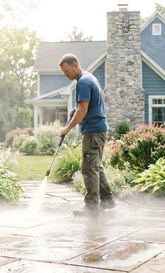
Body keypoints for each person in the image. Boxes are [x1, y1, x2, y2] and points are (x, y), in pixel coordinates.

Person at [58, 53, 116, 215]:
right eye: (64, 72)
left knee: (89, 168)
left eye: (67, 70)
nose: (66, 74)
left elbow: (82, 110)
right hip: (100, 128)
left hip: (93, 130)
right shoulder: (91, 78)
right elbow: (100, 96)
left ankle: (92, 207)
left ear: (75, 65)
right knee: (96, 165)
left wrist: (67, 128)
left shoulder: (82, 83)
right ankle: (107, 200)